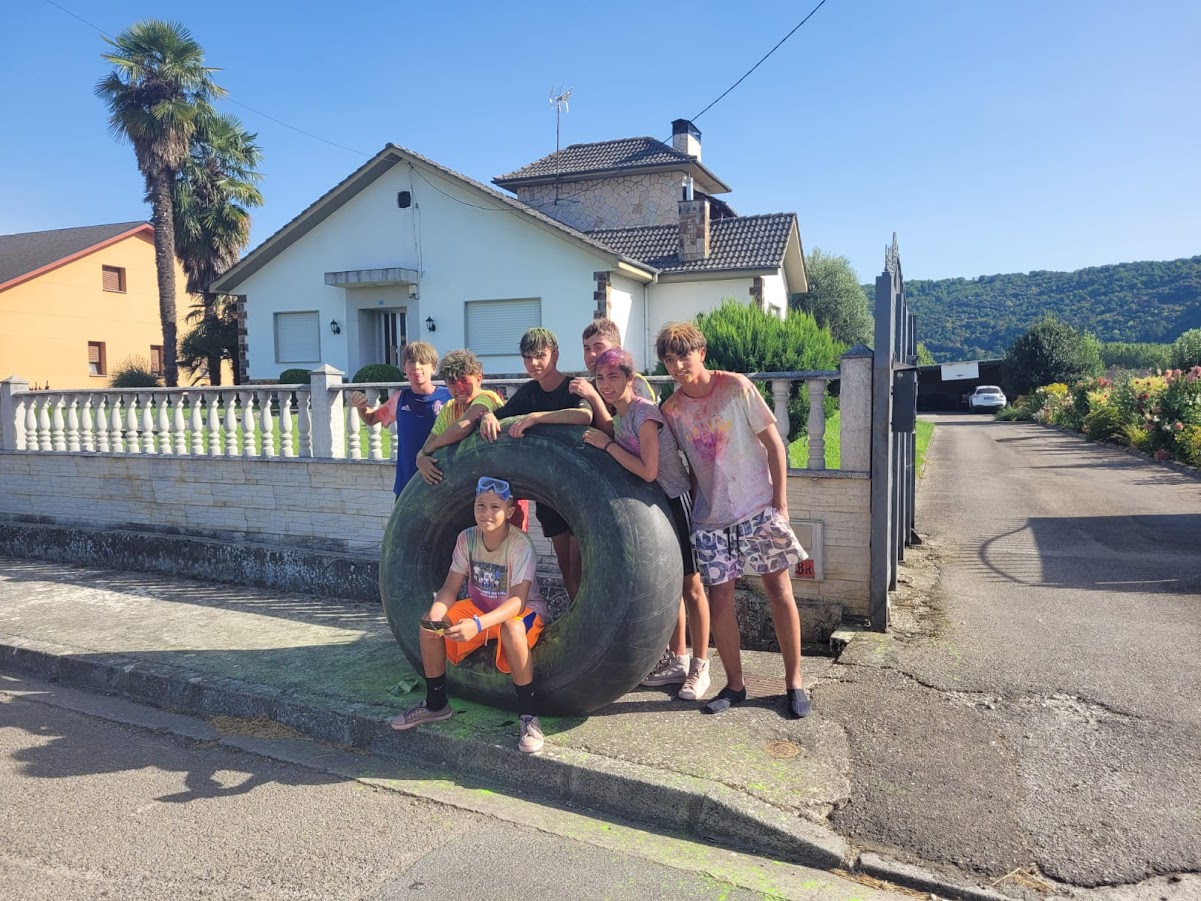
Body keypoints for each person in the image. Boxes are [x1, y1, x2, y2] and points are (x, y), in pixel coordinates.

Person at [656, 322, 812, 719]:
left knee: (779, 591)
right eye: (669, 360)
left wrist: (781, 502)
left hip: (758, 506)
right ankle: (736, 684)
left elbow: (774, 444)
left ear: (701, 353)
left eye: (683, 356)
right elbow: (686, 468)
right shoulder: (671, 410)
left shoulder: (736, 386)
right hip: (711, 519)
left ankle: (794, 682)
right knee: (720, 600)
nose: (677, 366)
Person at [581, 348, 711, 701]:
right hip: (656, 506)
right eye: (600, 378)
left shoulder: (643, 413)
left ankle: (701, 667)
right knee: (673, 586)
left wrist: (606, 444)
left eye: (613, 377)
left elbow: (649, 470)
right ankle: (678, 661)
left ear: (629, 378)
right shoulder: (621, 414)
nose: (606, 385)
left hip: (675, 499)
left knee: (691, 587)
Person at [390, 476, 547, 753]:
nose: (486, 513)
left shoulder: (520, 545)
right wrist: (437, 613)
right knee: (429, 625)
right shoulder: (467, 538)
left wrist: (477, 624)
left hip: (519, 612)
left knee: (511, 628)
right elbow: (450, 587)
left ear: (510, 512)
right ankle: (436, 704)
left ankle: (529, 716)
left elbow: (517, 602)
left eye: (495, 507)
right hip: (481, 609)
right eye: (480, 506)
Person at [468, 328, 592, 600]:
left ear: (555, 355)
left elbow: (583, 415)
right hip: (549, 494)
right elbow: (500, 415)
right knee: (566, 566)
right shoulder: (528, 392)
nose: (534, 363)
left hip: (580, 486)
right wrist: (487, 415)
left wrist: (536, 417)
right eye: (528, 357)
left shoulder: (572, 386)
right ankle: (575, 613)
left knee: (581, 563)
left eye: (540, 356)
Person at [349, 342, 451, 496]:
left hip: (441, 480)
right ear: (404, 367)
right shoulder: (400, 399)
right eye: (411, 362)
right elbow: (371, 419)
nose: (416, 367)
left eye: (423, 362)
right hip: (407, 483)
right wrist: (361, 407)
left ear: (433, 367)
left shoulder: (449, 398)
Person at [415, 349, 503, 486]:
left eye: (464, 380)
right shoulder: (449, 408)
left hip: (495, 482)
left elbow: (462, 428)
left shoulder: (487, 397)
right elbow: (428, 445)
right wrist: (420, 458)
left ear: (479, 379)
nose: (459, 388)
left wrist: (428, 449)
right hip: (464, 483)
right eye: (452, 383)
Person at [570, 318, 655, 429]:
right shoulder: (590, 385)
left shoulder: (633, 383)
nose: (591, 354)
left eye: (598, 347)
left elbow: (627, 436)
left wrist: (593, 397)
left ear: (617, 350)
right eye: (587, 348)